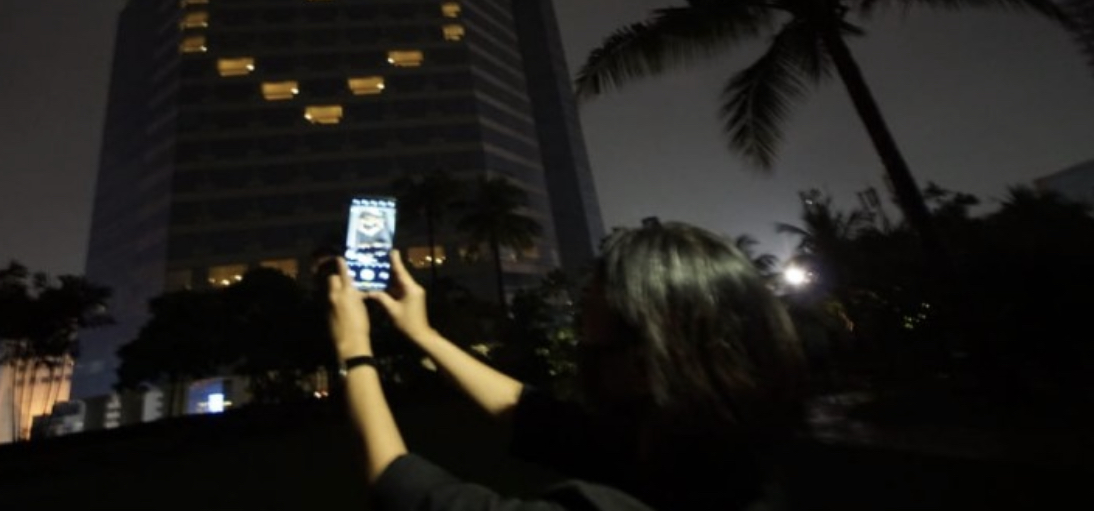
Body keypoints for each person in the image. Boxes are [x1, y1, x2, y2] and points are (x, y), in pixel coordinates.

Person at [327, 219, 807, 511]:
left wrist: (355, 351)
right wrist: (423, 335)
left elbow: (409, 496)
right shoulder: (711, 458)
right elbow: (537, 417)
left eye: (588, 335)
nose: (581, 346)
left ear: (644, 366)